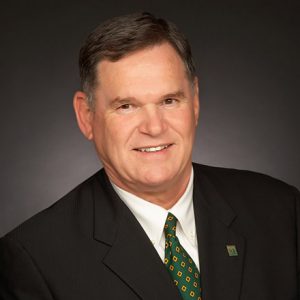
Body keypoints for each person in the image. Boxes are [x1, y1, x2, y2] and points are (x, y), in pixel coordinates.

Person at [0, 12, 299, 300]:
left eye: (169, 100)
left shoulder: (282, 212)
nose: (154, 128)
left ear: (194, 102)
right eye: (126, 106)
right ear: (86, 116)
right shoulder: (34, 260)